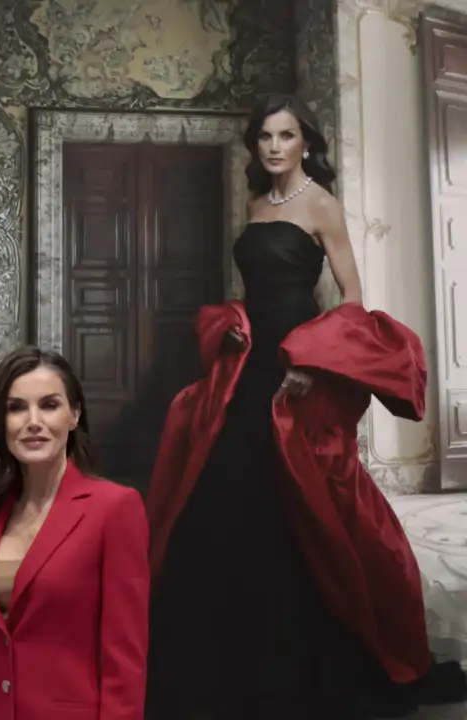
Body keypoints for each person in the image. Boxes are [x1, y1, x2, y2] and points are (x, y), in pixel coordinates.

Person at [145, 94, 466, 719]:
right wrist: (237, 328)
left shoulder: (320, 203)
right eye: (264, 136)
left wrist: (311, 362)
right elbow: (252, 289)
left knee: (300, 490)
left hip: (298, 362)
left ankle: (311, 649)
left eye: (285, 136)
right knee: (226, 485)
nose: (273, 146)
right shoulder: (255, 203)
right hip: (249, 357)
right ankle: (226, 653)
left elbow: (350, 296)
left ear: (304, 144)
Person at [0, 347, 149, 720]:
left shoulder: (114, 510)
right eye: (16, 408)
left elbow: (125, 658)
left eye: (49, 405)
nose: (33, 421)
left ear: (74, 415)